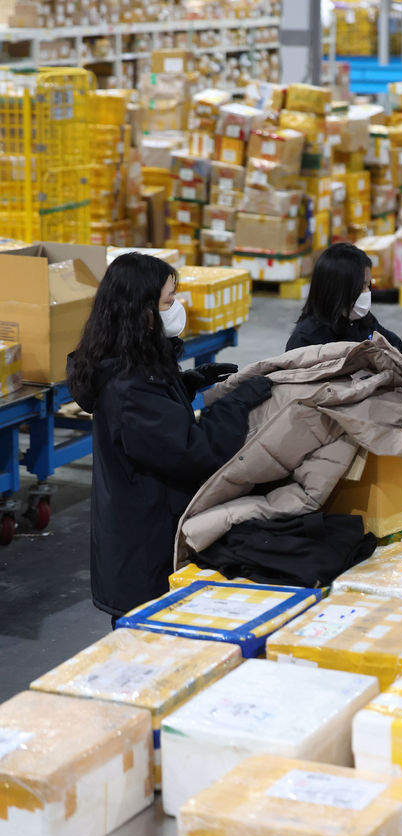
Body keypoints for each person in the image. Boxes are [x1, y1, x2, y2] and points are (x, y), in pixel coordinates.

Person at [66, 251, 272, 623]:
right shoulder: (130, 388)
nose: (177, 308)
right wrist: (236, 404)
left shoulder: (128, 359)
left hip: (145, 524)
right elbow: (194, 450)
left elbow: (154, 420)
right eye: (170, 301)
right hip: (145, 550)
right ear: (140, 310)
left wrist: (185, 383)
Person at [286, 242, 402, 366]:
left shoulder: (363, 322)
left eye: (368, 285)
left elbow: (399, 355)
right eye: (361, 287)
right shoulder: (306, 339)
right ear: (337, 290)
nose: (367, 293)